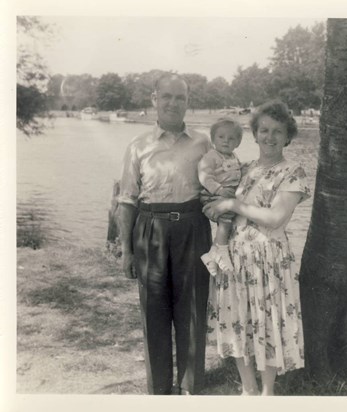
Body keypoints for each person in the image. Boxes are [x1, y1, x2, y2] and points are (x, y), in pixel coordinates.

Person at [203, 100, 311, 396]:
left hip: (269, 260)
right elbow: (221, 201)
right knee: (238, 318)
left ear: (288, 136)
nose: (270, 136)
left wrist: (234, 204)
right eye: (264, 130)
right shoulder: (245, 168)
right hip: (236, 256)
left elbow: (276, 217)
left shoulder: (293, 171)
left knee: (268, 321)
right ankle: (248, 388)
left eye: (278, 131)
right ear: (254, 133)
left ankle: (267, 391)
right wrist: (216, 208)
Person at [117, 73, 212, 395]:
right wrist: (127, 250)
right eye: (167, 96)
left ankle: (189, 388)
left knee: (193, 310)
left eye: (180, 97)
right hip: (150, 229)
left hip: (192, 228)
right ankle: (159, 391)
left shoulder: (203, 143)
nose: (173, 103)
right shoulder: (137, 145)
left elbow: (221, 187)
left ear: (188, 102)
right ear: (154, 100)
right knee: (155, 312)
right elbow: (127, 200)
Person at [198, 117, 243, 276]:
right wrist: (219, 190)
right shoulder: (211, 156)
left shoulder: (234, 157)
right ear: (213, 139)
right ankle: (221, 250)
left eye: (231, 138)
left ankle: (211, 255)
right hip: (212, 194)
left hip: (226, 195)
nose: (226, 141)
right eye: (221, 137)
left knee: (229, 219)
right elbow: (205, 177)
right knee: (226, 220)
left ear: (238, 142)